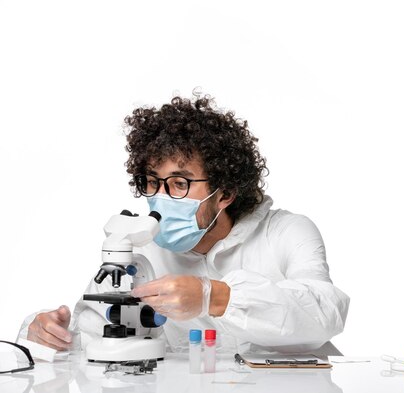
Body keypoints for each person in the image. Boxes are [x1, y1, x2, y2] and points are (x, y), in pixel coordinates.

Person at [19, 92, 350, 354]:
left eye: (180, 184)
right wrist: (43, 334)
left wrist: (215, 297)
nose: (160, 198)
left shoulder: (285, 232)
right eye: (152, 182)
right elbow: (88, 342)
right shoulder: (140, 248)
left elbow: (325, 312)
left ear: (226, 192)